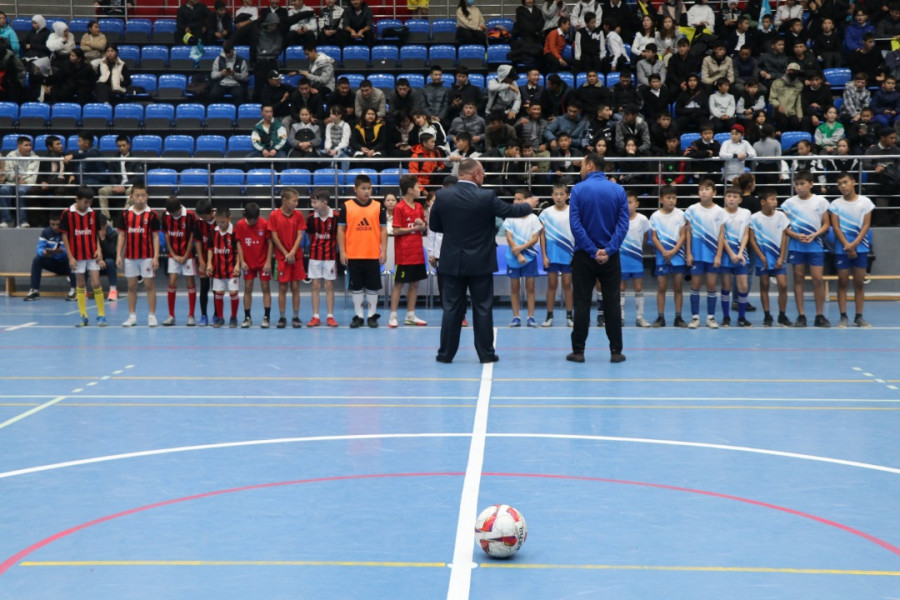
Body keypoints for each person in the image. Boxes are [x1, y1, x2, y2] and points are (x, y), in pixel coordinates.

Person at [429, 159, 537, 363]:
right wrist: (528, 206)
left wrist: (454, 232)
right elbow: (510, 211)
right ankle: (486, 354)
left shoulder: (442, 196)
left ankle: (445, 354)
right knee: (483, 308)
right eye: (483, 173)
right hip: (480, 261)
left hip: (452, 260)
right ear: (476, 174)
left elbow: (435, 225)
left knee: (451, 309)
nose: (485, 176)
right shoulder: (486, 196)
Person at [567, 153, 628, 363]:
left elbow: (575, 225)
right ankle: (616, 351)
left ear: (590, 165)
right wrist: (608, 250)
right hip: (610, 256)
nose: (580, 168)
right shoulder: (618, 190)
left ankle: (578, 351)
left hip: (584, 255)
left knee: (582, 302)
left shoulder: (578, 189)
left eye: (582, 164)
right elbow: (623, 225)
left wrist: (593, 251)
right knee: (612, 302)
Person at [782, 170, 831, 327]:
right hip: (797, 246)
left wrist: (815, 234)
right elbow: (784, 227)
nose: (799, 187)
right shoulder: (789, 203)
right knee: (798, 278)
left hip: (815, 245)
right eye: (796, 184)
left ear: (811, 184)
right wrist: (795, 235)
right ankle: (801, 315)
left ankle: (820, 315)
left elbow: (826, 224)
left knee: (818, 279)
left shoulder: (820, 201)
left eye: (802, 184)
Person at [338, 174, 387, 328]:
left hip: (372, 254)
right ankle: (358, 316)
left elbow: (383, 230)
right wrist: (342, 252)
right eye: (363, 188)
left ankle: (372, 316)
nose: (367, 191)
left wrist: (384, 251)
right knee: (357, 287)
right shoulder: (346, 206)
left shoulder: (378, 206)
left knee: (373, 287)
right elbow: (341, 230)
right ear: (355, 189)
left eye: (369, 188)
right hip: (353, 254)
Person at [829, 172, 874, 328]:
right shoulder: (835, 204)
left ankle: (859, 317)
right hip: (842, 249)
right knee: (842, 282)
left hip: (860, 248)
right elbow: (836, 227)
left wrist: (854, 244)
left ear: (853, 182)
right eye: (839, 184)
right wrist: (847, 245)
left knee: (859, 283)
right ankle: (843, 317)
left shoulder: (865, 202)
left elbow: (866, 225)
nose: (842, 186)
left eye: (845, 182)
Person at [58, 187, 106, 327]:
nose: (88, 205)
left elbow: (95, 234)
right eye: (85, 202)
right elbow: (64, 236)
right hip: (77, 255)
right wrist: (70, 257)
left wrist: (99, 249)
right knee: (80, 284)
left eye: (90, 202)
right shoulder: (67, 214)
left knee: (96, 283)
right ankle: (83, 316)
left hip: (92, 254)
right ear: (77, 199)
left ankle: (101, 315)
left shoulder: (93, 214)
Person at [116, 183, 160, 327]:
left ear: (147, 197)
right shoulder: (125, 214)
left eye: (143, 195)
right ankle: (132, 316)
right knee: (131, 286)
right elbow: (122, 235)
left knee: (149, 285)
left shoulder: (152, 215)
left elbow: (155, 237)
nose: (140, 198)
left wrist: (156, 257)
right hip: (130, 256)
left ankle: (152, 316)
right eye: (137, 195)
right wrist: (118, 255)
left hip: (147, 256)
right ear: (131, 197)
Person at [388, 175, 429, 328]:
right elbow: (396, 231)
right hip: (404, 254)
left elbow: (423, 228)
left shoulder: (418, 207)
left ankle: (410, 315)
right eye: (418, 187)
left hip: (417, 252)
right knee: (399, 284)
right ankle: (393, 316)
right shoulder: (399, 207)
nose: (420, 190)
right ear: (410, 190)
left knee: (415, 284)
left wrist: (422, 224)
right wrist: (415, 228)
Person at [685, 179, 725, 328]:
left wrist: (719, 255)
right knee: (695, 285)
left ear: (714, 192)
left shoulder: (720, 212)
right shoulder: (692, 210)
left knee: (711, 285)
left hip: (712, 255)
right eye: (701, 189)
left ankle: (711, 318)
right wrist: (688, 253)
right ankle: (695, 317)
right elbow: (688, 233)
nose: (703, 192)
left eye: (707, 189)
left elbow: (721, 235)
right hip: (697, 254)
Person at [749, 188, 791, 327]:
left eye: (776, 199)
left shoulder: (781, 217)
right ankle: (767, 316)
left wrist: (781, 257)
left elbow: (784, 238)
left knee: (783, 285)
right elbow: (752, 240)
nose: (775, 202)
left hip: (778, 257)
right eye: (772, 199)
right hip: (763, 258)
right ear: (763, 202)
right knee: (764, 285)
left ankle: (782, 315)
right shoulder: (754, 218)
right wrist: (761, 257)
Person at [649, 185, 688, 329]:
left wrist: (673, 251)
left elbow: (683, 235)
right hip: (662, 256)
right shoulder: (655, 216)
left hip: (678, 256)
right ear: (661, 200)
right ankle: (661, 317)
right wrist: (664, 252)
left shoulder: (681, 214)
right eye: (668, 198)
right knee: (661, 287)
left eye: (674, 198)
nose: (672, 200)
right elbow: (654, 237)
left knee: (678, 287)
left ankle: (678, 317)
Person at [268, 187, 306, 328]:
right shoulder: (274, 215)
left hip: (296, 257)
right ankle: (282, 317)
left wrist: (292, 252)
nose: (296, 204)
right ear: (284, 200)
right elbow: (274, 237)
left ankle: (296, 316)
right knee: (282, 287)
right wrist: (286, 254)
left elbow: (300, 235)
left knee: (295, 287)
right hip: (281, 258)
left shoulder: (299, 215)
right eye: (294, 201)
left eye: (297, 201)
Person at [504, 189, 543, 327]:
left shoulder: (533, 218)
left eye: (519, 199)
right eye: (515, 198)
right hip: (513, 257)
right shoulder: (510, 217)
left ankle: (531, 317)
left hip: (529, 257)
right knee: (514, 287)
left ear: (526, 201)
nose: (515, 201)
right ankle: (516, 317)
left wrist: (520, 249)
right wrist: (518, 254)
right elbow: (509, 237)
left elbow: (535, 239)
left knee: (530, 287)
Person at [715, 186, 752, 327]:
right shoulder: (720, 213)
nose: (731, 199)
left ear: (740, 200)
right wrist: (731, 254)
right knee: (726, 286)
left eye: (735, 197)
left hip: (741, 255)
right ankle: (726, 318)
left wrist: (740, 253)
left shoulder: (746, 213)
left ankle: (742, 317)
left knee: (743, 287)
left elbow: (746, 234)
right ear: (725, 198)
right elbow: (721, 236)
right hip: (726, 255)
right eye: (729, 196)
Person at [539, 183, 574, 327]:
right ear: (552, 196)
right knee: (552, 285)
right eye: (556, 194)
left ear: (567, 196)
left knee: (567, 284)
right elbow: (542, 236)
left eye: (561, 194)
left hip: (568, 254)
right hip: (552, 255)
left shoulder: (573, 211)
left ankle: (570, 315)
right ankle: (549, 316)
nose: (558, 197)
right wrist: (544, 256)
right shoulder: (545, 213)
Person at [234, 202, 273, 328]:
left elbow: (270, 243)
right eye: (249, 220)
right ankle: (247, 317)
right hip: (248, 263)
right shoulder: (240, 225)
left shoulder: (264, 224)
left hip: (263, 262)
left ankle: (266, 317)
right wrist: (242, 261)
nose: (252, 222)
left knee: (265, 288)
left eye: (254, 220)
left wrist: (268, 261)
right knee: (247, 288)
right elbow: (239, 243)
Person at [161, 196, 197, 327]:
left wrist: (186, 255)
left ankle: (191, 315)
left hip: (188, 255)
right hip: (173, 255)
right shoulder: (165, 215)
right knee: (172, 282)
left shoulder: (190, 215)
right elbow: (166, 234)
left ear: (180, 207)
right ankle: (171, 315)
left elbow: (192, 236)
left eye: (176, 213)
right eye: (171, 213)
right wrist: (173, 253)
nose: (174, 215)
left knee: (190, 282)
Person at [22, 214, 77, 301]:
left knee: (73, 259)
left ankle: (74, 290)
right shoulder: (46, 232)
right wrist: (43, 253)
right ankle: (34, 290)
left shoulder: (69, 232)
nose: (55, 227)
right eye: (52, 224)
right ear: (49, 223)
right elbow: (39, 248)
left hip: (67, 264)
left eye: (57, 224)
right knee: (37, 260)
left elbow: (75, 250)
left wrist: (63, 252)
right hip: (53, 263)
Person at [305, 188, 339, 327]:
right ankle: (315, 316)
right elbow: (310, 235)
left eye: (315, 202)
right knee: (315, 285)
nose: (312, 205)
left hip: (330, 256)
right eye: (311, 202)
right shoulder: (311, 218)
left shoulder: (336, 217)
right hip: (315, 256)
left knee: (329, 286)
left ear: (324, 203)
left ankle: (330, 316)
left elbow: (339, 236)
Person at [206, 206, 242, 328]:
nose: (220, 225)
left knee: (233, 292)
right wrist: (209, 263)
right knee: (219, 293)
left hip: (232, 269)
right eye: (218, 222)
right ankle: (220, 317)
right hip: (218, 269)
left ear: (229, 218)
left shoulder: (235, 232)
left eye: (222, 222)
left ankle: (233, 317)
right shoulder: (213, 232)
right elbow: (210, 249)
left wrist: (238, 265)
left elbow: (238, 251)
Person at [619, 191, 650, 327]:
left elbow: (645, 237)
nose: (627, 205)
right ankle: (620, 317)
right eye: (625, 202)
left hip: (636, 259)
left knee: (638, 287)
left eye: (630, 202)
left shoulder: (642, 220)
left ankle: (640, 317)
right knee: (621, 288)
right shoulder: (618, 219)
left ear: (637, 204)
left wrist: (637, 251)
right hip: (621, 259)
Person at [0, 136, 39, 228]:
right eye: (26, 145)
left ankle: (23, 220)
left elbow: (34, 177)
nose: (29, 147)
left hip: (27, 183)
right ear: (19, 146)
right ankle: (6, 220)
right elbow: (7, 173)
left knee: (21, 191)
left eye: (30, 145)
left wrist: (25, 181)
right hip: (12, 182)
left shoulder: (35, 158)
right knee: (3, 190)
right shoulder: (10, 156)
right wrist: (14, 177)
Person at [193, 199, 216, 326]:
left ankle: (217, 315)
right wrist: (202, 262)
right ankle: (203, 315)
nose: (203, 219)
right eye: (200, 216)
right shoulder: (198, 223)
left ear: (211, 212)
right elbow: (198, 242)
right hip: (204, 260)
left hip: (217, 261)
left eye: (205, 216)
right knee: (204, 289)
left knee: (217, 290)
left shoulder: (219, 221)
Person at [96, 213, 119, 301]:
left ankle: (113, 290)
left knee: (109, 262)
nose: (100, 229)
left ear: (106, 225)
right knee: (85, 262)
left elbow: (111, 253)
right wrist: (98, 259)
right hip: (95, 262)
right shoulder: (91, 233)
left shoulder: (113, 235)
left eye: (102, 226)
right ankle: (83, 290)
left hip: (108, 263)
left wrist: (103, 239)